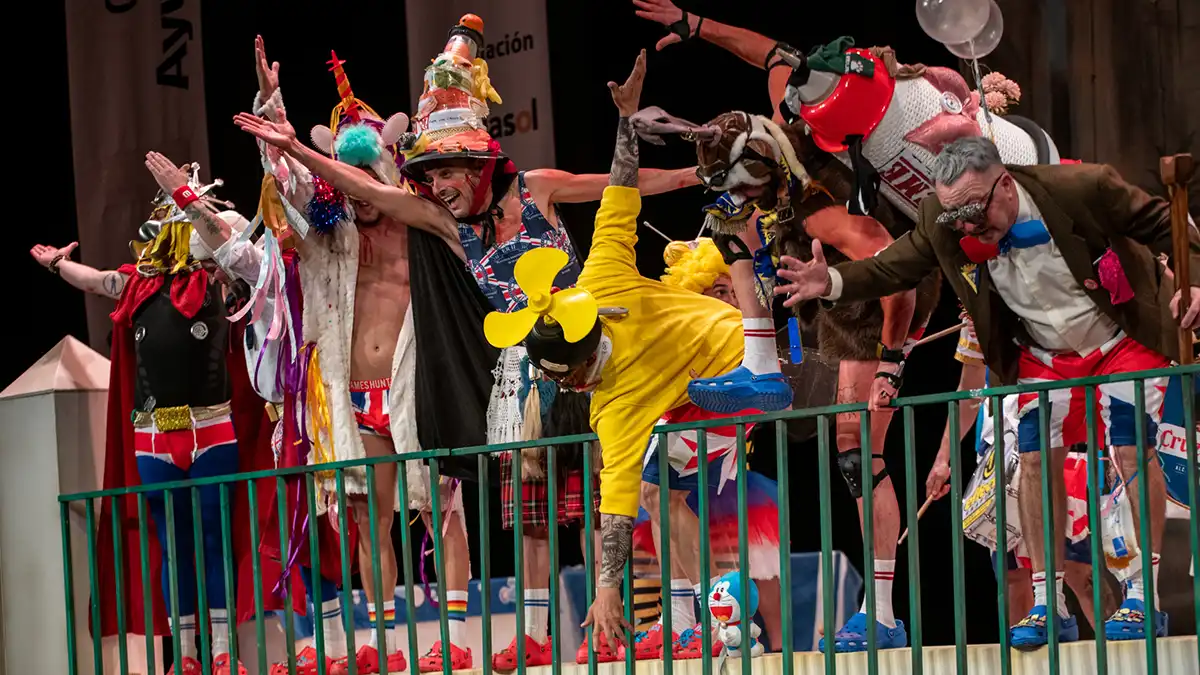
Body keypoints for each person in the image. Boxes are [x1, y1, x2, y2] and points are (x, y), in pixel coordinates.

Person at [237, 21, 698, 669]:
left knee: (625, 493)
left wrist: (701, 172)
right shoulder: (444, 223)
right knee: (533, 519)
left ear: (479, 165)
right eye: (429, 173)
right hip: (521, 376)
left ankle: (666, 620)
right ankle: (539, 636)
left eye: (447, 171)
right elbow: (366, 188)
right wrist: (290, 142)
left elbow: (624, 185)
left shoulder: (535, 188)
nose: (438, 185)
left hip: (597, 358)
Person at [775, 135, 1200, 647]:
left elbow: (1173, 226)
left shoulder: (1081, 187)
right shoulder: (945, 218)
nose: (967, 227)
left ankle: (1142, 596)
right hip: (1042, 353)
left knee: (1132, 449)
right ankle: (1047, 603)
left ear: (1004, 184)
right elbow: (893, 267)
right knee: (1036, 459)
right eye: (956, 216)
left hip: (1117, 333)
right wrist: (832, 283)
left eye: (975, 211)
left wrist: (1195, 282)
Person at [477, 52, 788, 652]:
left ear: (588, 344)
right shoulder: (609, 406)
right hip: (696, 395)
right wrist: (606, 590)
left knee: (654, 487)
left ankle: (715, 624)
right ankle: (698, 623)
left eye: (573, 378)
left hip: (742, 363)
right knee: (648, 491)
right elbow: (613, 513)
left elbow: (622, 185)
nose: (573, 391)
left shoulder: (606, 284)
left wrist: (628, 123)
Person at [240, 36, 492, 674]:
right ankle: (384, 646)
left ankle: (456, 640)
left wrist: (300, 146)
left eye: (365, 176)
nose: (356, 193)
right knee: (368, 521)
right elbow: (292, 188)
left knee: (442, 510)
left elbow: (358, 184)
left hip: (416, 387)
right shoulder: (332, 236)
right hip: (352, 396)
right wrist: (274, 117)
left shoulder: (421, 220)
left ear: (383, 168)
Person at [72, 168, 257, 675]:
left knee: (216, 539)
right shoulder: (137, 287)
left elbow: (234, 240)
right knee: (172, 547)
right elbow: (94, 280)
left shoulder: (219, 275)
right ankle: (189, 656)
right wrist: (56, 266)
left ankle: (223, 654)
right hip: (153, 437)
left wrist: (192, 198)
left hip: (211, 429)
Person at [635, 237, 784, 659]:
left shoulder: (742, 330)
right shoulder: (693, 328)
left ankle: (720, 622)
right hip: (685, 411)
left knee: (663, 496)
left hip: (719, 408)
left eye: (726, 290)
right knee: (657, 498)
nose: (720, 299)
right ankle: (684, 617)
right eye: (710, 291)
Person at [929, 316, 1118, 630]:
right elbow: (969, 391)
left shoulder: (1042, 296)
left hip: (1056, 440)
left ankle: (1123, 655)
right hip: (1000, 455)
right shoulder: (977, 319)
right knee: (1013, 576)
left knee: (1079, 570)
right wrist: (942, 459)